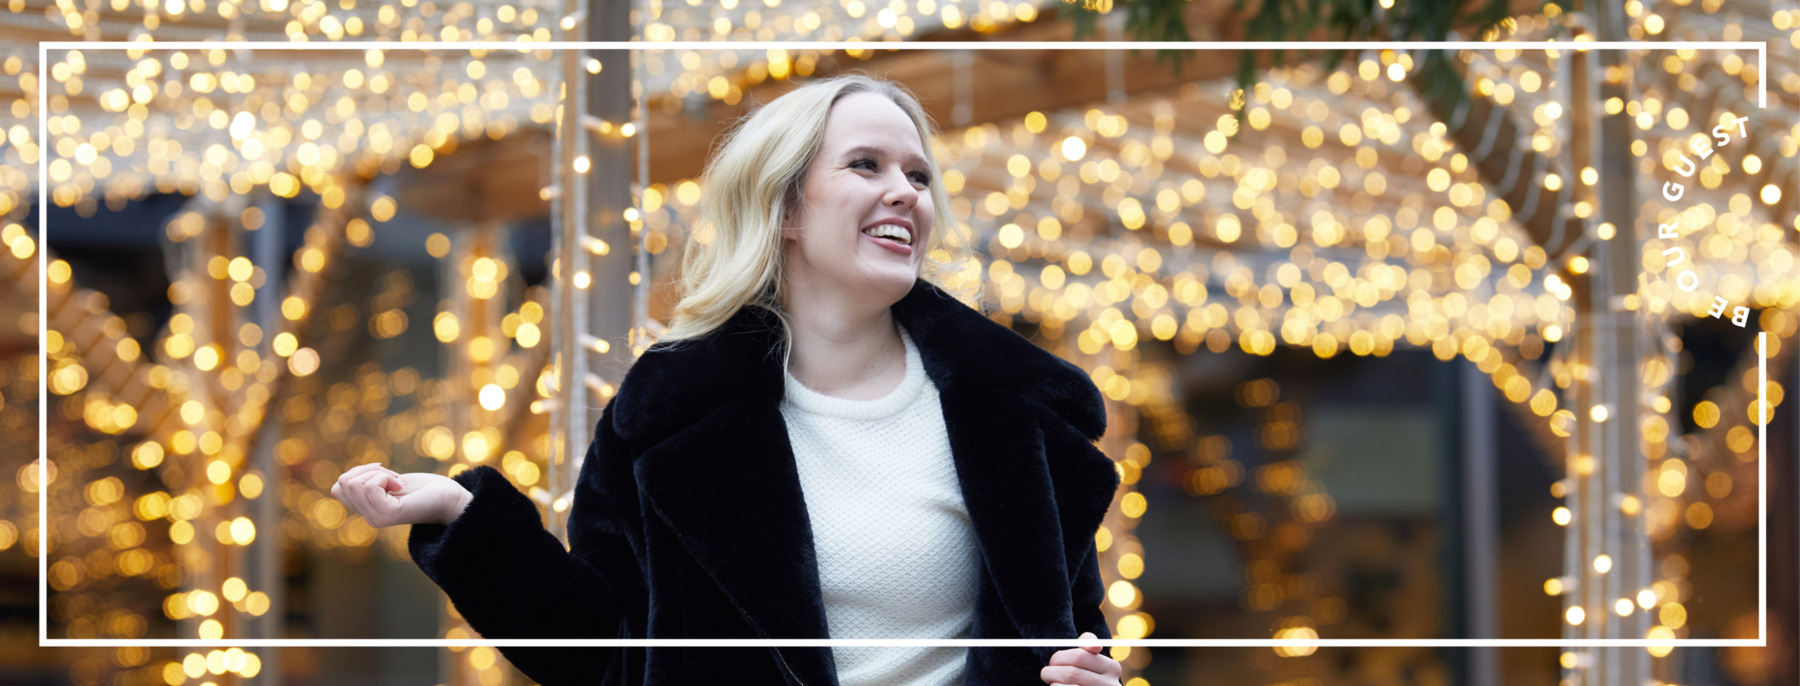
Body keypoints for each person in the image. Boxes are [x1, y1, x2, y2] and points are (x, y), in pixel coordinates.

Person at [332, 73, 1123, 686]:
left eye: (919, 176)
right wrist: (465, 519)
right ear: (784, 207)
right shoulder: (668, 412)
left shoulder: (1022, 415)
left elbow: (1076, 640)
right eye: (866, 165)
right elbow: (606, 652)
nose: (905, 193)